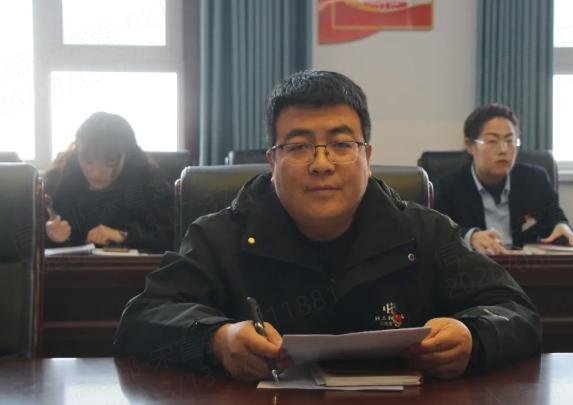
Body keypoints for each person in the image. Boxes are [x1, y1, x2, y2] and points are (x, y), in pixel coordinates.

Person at [113, 71, 541, 380]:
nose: (321, 164)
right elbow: (142, 320)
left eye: (340, 144)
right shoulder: (220, 236)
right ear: (273, 161)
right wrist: (216, 340)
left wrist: (473, 337)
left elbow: (516, 311)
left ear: (367, 157)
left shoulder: (425, 233)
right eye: (299, 147)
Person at [434, 103, 573, 255]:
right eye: (492, 141)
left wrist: (563, 228)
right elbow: (437, 236)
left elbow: (557, 220)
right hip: (476, 268)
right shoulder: (447, 188)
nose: (503, 150)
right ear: (470, 145)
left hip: (526, 267)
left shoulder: (535, 180)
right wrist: (470, 237)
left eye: (510, 141)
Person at [44, 111, 174, 253]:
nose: (97, 172)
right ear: (78, 154)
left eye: (109, 161)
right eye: (88, 160)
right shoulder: (58, 181)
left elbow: (171, 240)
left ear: (127, 156)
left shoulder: (148, 181)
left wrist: (124, 236)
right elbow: (34, 248)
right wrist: (51, 236)